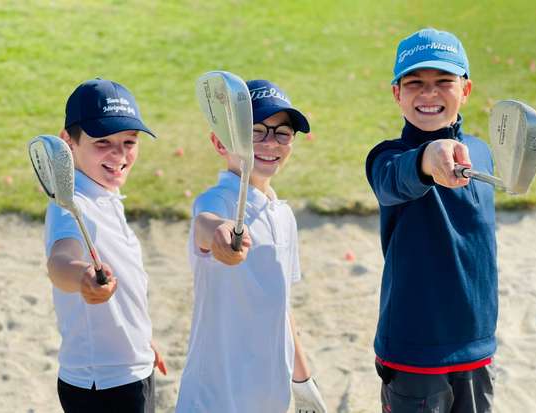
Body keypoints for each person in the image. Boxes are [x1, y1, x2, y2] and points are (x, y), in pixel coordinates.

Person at [175, 79, 327, 413]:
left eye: (282, 133)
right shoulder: (217, 200)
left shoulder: (283, 214)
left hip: (270, 393)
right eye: (256, 131)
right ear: (220, 142)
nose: (270, 142)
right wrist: (220, 233)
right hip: (215, 397)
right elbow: (206, 224)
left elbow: (282, 308)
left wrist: (303, 381)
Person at [366, 28, 497, 412]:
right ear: (397, 93)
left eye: (444, 82)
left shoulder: (481, 152)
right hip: (414, 350)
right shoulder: (387, 158)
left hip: (477, 342)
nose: (428, 93)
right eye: (415, 83)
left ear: (466, 90)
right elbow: (399, 178)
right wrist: (430, 156)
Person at [44, 78, 167, 413]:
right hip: (107, 384)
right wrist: (82, 276)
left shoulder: (104, 192)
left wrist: (141, 341)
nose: (120, 154)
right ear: (68, 142)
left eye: (129, 141)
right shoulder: (73, 204)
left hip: (125, 368)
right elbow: (60, 260)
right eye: (103, 142)